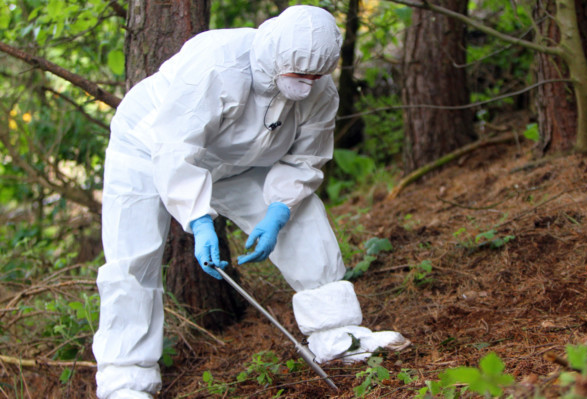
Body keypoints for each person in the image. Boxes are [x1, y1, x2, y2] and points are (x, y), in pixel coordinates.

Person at [92, 5, 409, 398]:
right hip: (146, 148)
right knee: (133, 258)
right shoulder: (216, 64)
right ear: (275, 57)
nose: (307, 85)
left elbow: (305, 157)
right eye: (298, 75)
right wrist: (199, 219)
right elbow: (175, 149)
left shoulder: (319, 89)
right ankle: (126, 379)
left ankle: (338, 335)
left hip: (241, 163)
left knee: (302, 216)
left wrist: (278, 210)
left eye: (315, 76)